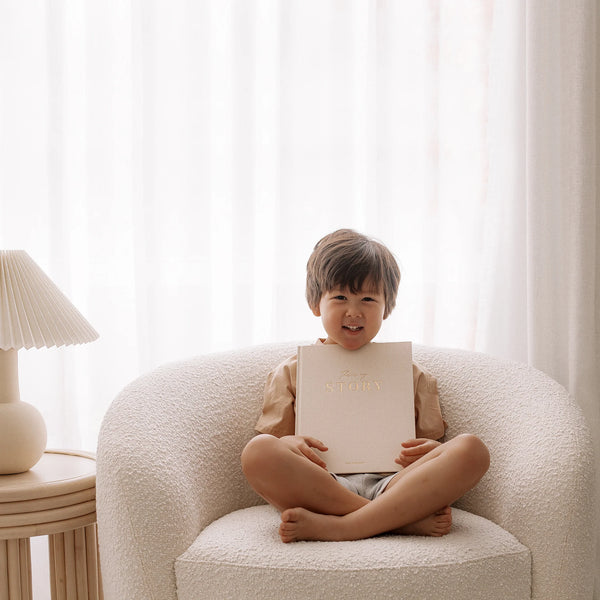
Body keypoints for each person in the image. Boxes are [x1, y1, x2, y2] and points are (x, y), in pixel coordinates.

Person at [241, 229, 489, 543]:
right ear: (316, 303)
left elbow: (429, 453)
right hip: (323, 487)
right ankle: (393, 521)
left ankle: (345, 527)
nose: (354, 311)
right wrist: (291, 444)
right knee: (257, 452)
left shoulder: (413, 375)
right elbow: (277, 444)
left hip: (396, 484)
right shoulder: (291, 372)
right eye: (340, 297)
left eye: (368, 299)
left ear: (387, 307)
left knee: (471, 450)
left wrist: (433, 449)